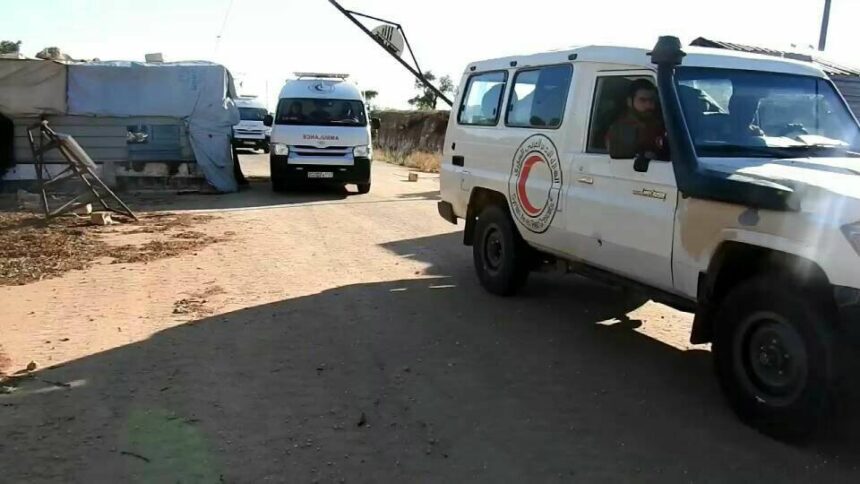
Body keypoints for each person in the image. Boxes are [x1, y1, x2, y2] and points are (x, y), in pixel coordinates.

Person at [606, 79, 667, 159]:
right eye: (643, 100)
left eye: (652, 100)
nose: (649, 105)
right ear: (629, 102)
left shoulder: (659, 123)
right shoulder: (622, 128)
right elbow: (621, 158)